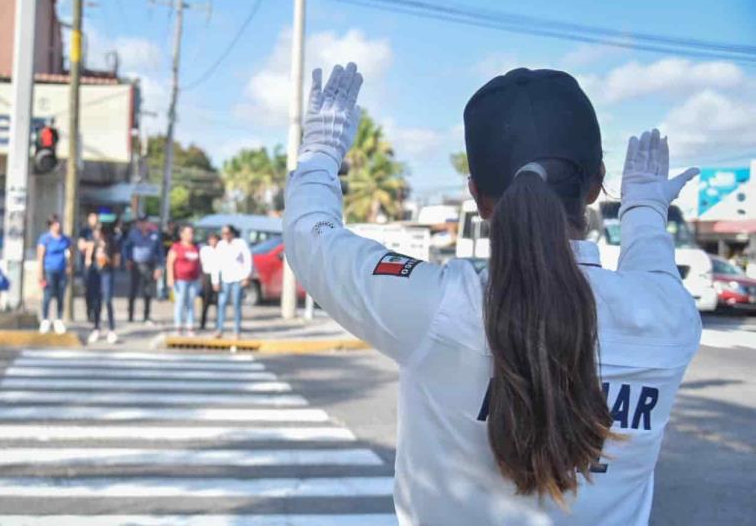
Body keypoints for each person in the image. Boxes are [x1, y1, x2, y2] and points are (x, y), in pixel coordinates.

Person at [283, 64, 701, 525]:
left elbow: (313, 241)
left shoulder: (440, 308)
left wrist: (321, 150)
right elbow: (653, 270)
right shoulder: (669, 318)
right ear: (596, 183)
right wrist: (644, 206)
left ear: (478, 198)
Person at [121, 215, 164, 325]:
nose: (142, 224)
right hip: (136, 264)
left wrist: (159, 267)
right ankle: (130, 315)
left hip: (150, 264)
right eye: (140, 222)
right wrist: (127, 260)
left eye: (144, 222)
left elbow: (160, 252)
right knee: (133, 290)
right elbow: (126, 247)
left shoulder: (155, 234)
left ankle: (146, 316)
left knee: (148, 290)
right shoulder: (133, 233)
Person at [213, 224, 252, 339]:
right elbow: (217, 264)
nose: (224, 236)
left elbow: (247, 260)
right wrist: (215, 281)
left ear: (232, 233)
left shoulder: (240, 244)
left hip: (237, 278)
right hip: (225, 279)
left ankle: (237, 330)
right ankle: (219, 329)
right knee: (221, 304)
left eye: (226, 233)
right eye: (222, 233)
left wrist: (246, 276)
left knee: (236, 305)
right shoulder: (220, 245)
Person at [37, 214, 73, 334]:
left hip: (62, 270)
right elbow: (41, 256)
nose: (58, 226)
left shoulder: (65, 239)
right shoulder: (45, 239)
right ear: (51, 225)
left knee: (60, 296)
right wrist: (40, 272)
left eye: (59, 223)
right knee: (48, 295)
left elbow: (70, 253)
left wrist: (69, 266)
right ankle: (45, 320)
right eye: (56, 224)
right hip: (49, 270)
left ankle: (58, 319)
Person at [87, 225, 120, 344]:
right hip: (95, 273)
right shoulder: (93, 243)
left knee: (108, 300)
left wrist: (106, 257)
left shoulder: (111, 243)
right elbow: (88, 261)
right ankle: (96, 327)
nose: (96, 234)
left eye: (98, 232)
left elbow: (116, 262)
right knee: (96, 301)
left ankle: (111, 329)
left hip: (107, 273)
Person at [166, 224, 202, 335]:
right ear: (182, 234)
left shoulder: (196, 247)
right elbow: (170, 262)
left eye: (192, 233)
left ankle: (190, 326)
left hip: (193, 280)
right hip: (180, 280)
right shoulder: (176, 247)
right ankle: (178, 326)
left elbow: (199, 263)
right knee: (180, 303)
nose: (191, 235)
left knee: (190, 303)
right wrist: (170, 278)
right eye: (188, 233)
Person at [77, 211, 101, 323]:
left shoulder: (100, 231)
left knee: (98, 291)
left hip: (99, 264)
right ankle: (89, 312)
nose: (94, 221)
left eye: (95, 219)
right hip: (87, 265)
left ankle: (96, 313)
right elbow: (81, 246)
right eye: (92, 218)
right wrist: (91, 244)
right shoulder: (84, 231)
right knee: (88, 290)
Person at [199, 232, 220, 330]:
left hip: (218, 277)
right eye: (211, 239)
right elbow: (204, 263)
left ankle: (218, 324)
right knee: (205, 302)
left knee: (218, 302)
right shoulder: (205, 250)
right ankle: (202, 323)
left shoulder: (220, 250)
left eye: (214, 239)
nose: (213, 241)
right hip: (207, 276)